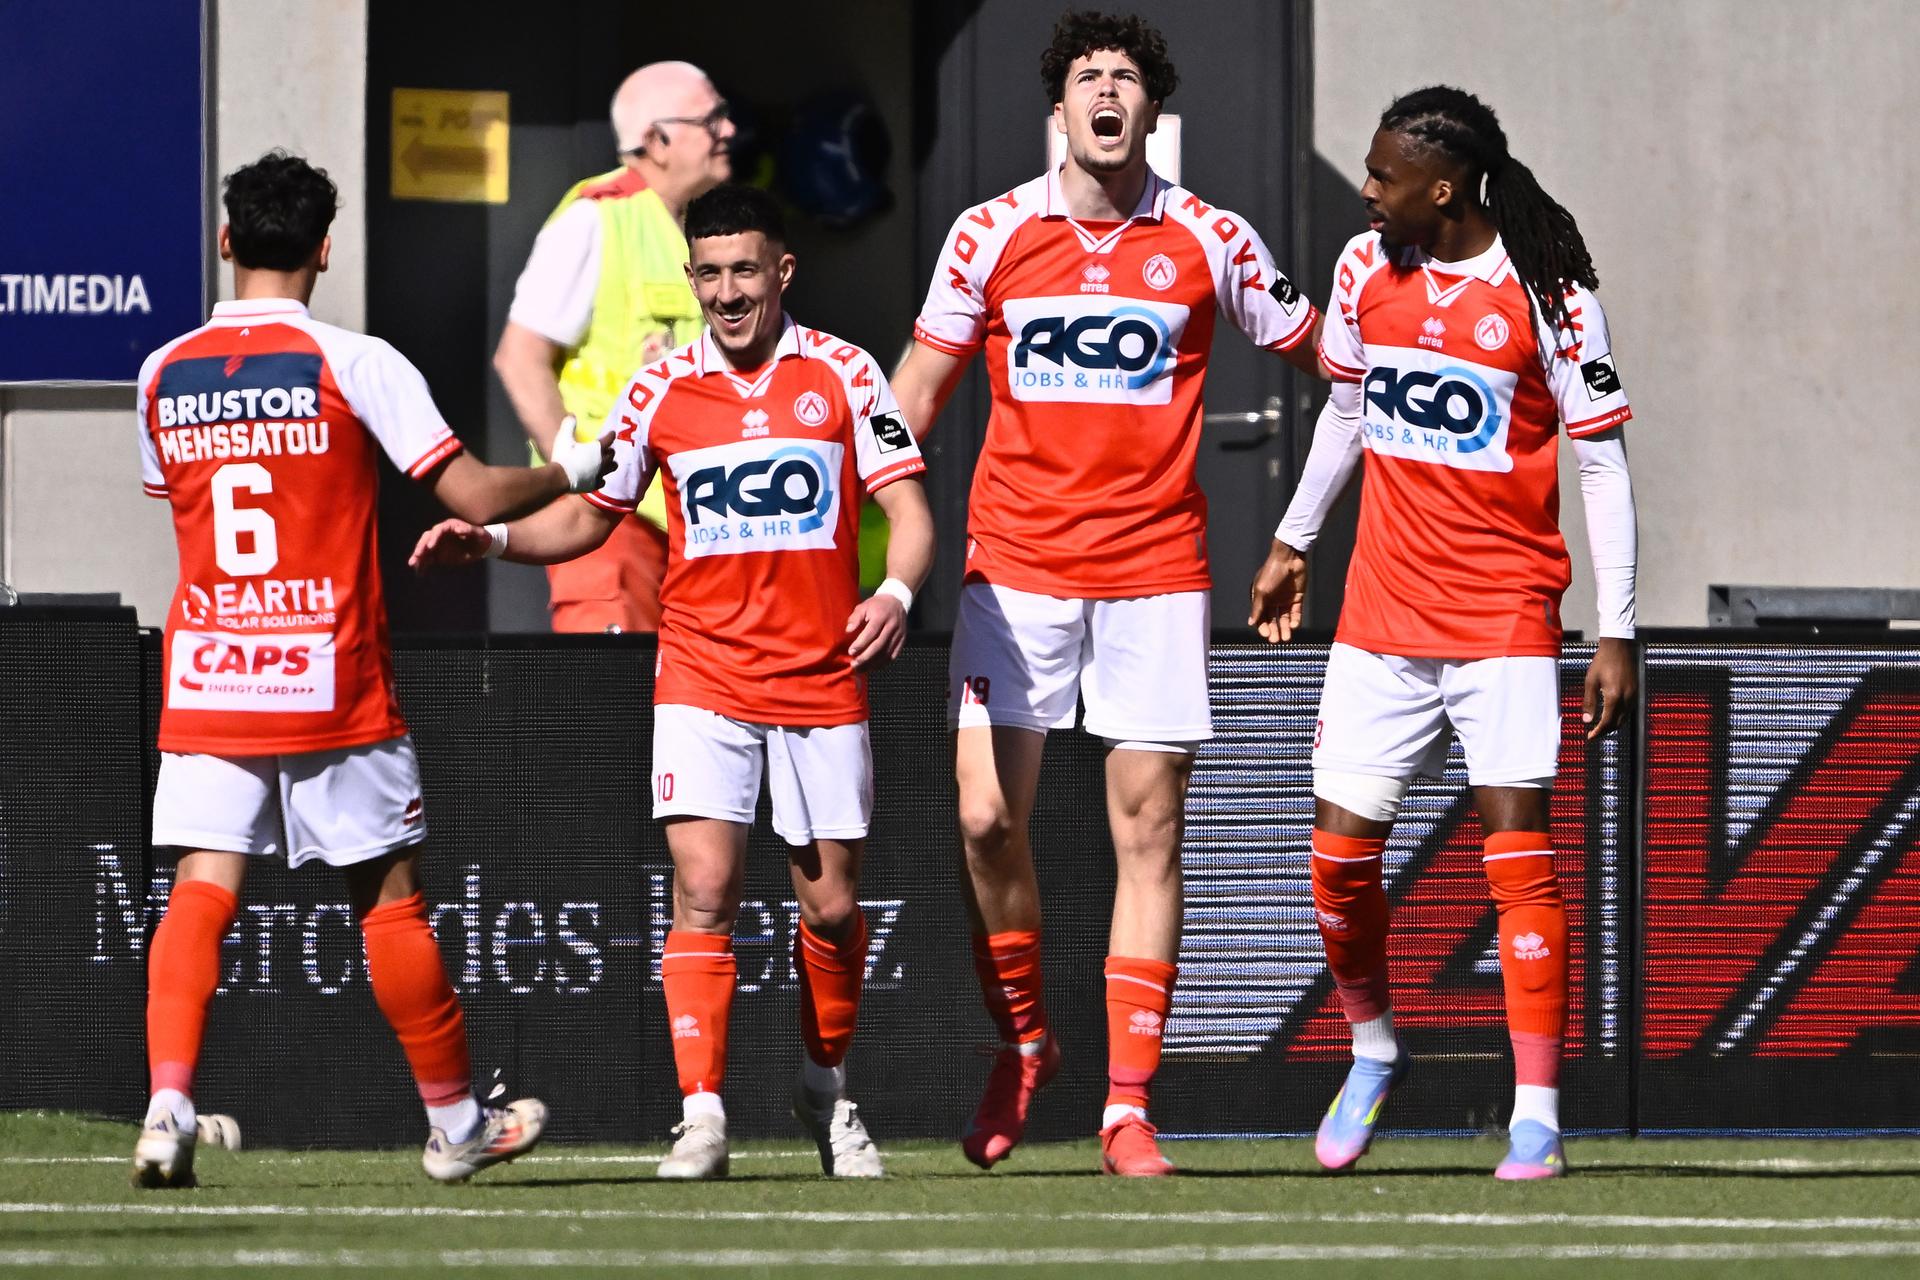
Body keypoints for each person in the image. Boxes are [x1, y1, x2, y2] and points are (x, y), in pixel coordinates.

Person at [413, 183, 935, 1180]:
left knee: (830, 911)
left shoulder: (845, 372)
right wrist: (490, 538)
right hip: (700, 672)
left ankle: (825, 1090)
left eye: (747, 271)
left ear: (783, 272)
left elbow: (910, 509)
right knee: (704, 886)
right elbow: (588, 515)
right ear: (690, 278)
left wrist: (899, 594)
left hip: (821, 678)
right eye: (710, 274)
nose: (728, 293)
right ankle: (701, 1112)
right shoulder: (658, 391)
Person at [890, 10, 1321, 1176]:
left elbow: (1325, 352)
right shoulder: (989, 235)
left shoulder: (1209, 236)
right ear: (1060, 107)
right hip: (1012, 575)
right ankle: (1027, 1042)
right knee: (986, 817)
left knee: (1150, 830)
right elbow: (917, 390)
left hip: (1152, 576)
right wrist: (851, 523)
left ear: (1153, 109)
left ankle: (1129, 1106)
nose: (1108, 93)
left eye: (1127, 77)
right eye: (1089, 76)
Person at [131, 152, 612, 1188]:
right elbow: (477, 496)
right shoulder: (356, 362)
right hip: (330, 674)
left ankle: (168, 1099)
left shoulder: (162, 371)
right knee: (390, 901)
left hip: (214, 670)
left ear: (226, 242)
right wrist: (572, 465)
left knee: (199, 892)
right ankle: (455, 1124)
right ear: (325, 249)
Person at [1248, 85, 1640, 1180]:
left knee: (1519, 860)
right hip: (1381, 614)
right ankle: (1374, 1047)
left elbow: (1600, 463)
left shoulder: (1552, 293)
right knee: (1335, 865)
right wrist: (1293, 537)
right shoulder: (1367, 269)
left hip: (1506, 614)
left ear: (1446, 186)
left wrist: (1616, 630)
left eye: (1383, 177)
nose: (1368, 192)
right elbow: (1344, 411)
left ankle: (1537, 1115)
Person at [494, 60, 734, 633]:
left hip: (697, 519)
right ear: (656, 139)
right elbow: (520, 356)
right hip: (611, 524)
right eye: (713, 119)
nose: (730, 132)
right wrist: (571, 469)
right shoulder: (596, 219)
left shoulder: (693, 228)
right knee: (608, 708)